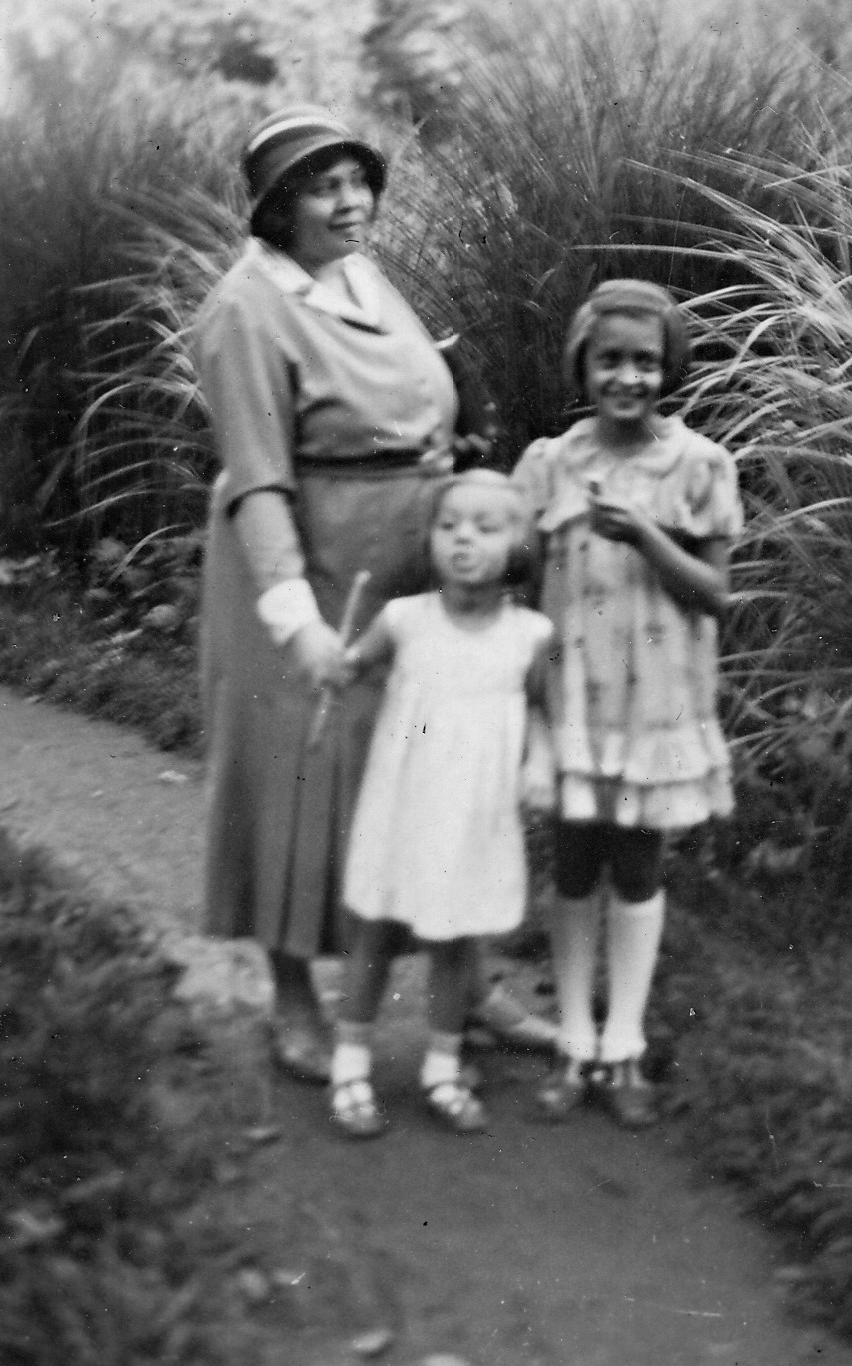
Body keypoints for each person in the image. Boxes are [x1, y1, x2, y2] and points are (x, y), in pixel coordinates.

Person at [195, 107, 553, 1083]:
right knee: (297, 778)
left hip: (407, 563)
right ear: (279, 207)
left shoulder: (356, 273)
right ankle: (292, 997)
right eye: (325, 187)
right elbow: (258, 479)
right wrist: (294, 620)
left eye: (359, 181)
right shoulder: (245, 310)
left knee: (429, 771)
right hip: (304, 574)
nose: (351, 202)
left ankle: (462, 985)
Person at [513, 280, 743, 1129]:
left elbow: (715, 594)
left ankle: (625, 1046)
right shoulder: (550, 462)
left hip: (657, 705)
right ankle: (574, 1041)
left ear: (668, 367)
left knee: (639, 867)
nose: (628, 377)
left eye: (646, 361)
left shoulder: (699, 464)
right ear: (584, 364)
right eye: (610, 359)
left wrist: (645, 533)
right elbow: (525, 579)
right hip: (574, 698)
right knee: (574, 865)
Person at [327, 471, 555, 1137]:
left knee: (458, 937)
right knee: (376, 928)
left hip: (474, 812)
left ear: (519, 545)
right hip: (404, 804)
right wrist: (337, 666)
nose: (463, 539)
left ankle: (443, 1067)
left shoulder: (531, 634)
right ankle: (349, 1065)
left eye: (486, 528)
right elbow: (350, 667)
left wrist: (540, 763)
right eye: (449, 525)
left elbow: (542, 709)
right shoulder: (404, 620)